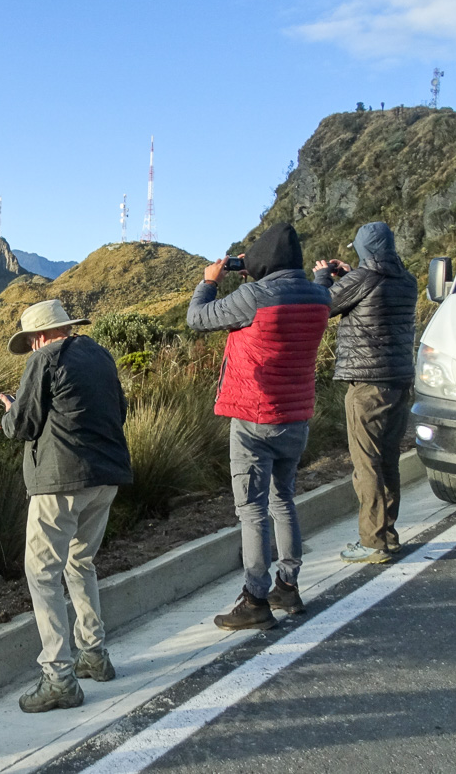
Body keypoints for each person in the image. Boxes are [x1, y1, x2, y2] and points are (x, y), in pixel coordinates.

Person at [187, 223, 331, 630]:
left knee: (252, 511)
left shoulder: (254, 296)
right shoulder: (320, 297)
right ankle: (288, 583)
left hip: (254, 417)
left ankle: (254, 598)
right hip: (296, 416)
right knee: (283, 499)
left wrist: (209, 283)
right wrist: (322, 275)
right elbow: (316, 291)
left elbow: (197, 319)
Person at [0, 298, 132, 713]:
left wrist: (8, 411)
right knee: (81, 563)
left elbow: (22, 425)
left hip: (61, 481)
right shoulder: (100, 354)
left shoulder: (44, 360)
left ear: (38, 337)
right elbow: (119, 411)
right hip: (106, 477)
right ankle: (94, 653)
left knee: (41, 575)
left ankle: (58, 677)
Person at [313, 221, 418, 564]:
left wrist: (323, 278)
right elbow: (368, 291)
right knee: (388, 461)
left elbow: (322, 307)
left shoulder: (363, 279)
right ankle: (387, 534)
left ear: (364, 249)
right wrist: (350, 275)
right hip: (399, 381)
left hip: (368, 385)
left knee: (366, 464)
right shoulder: (406, 280)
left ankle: (372, 542)